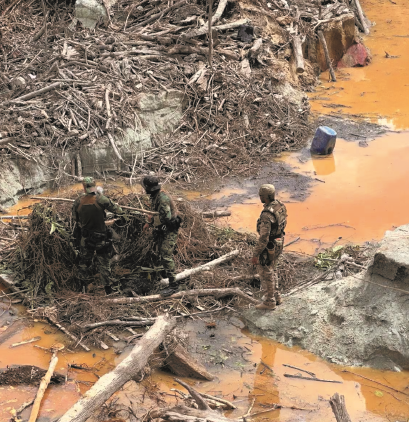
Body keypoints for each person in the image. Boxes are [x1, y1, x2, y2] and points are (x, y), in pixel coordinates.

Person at [72, 177, 124, 294]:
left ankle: (82, 288)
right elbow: (119, 210)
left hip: (86, 238)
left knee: (84, 262)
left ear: (84, 187)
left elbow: (75, 219)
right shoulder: (101, 199)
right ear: (94, 186)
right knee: (104, 264)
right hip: (101, 238)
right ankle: (108, 290)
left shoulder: (78, 201)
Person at [142, 176, 182, 297]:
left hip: (170, 229)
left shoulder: (162, 198)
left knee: (166, 255)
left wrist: (151, 221)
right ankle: (166, 274)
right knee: (161, 252)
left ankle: (174, 286)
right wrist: (150, 222)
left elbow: (166, 218)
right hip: (163, 229)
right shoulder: (156, 196)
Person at [251, 184, 287, 310]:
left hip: (269, 246)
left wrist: (256, 254)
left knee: (266, 272)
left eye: (261, 196)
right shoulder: (280, 206)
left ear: (265, 197)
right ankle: (277, 296)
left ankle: (269, 301)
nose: (260, 197)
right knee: (273, 269)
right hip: (278, 243)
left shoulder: (266, 215)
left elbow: (264, 237)